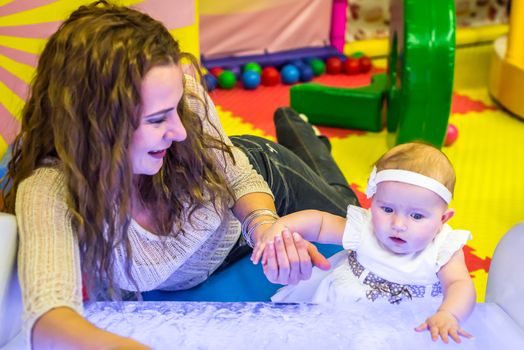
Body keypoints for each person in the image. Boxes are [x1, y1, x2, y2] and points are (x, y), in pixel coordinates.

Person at [1, 1, 360, 348]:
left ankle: (305, 138)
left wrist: (265, 229)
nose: (180, 131)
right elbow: (49, 313)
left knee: (359, 223)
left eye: (175, 110)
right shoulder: (50, 190)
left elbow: (238, 178)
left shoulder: (183, 101)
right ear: (98, 126)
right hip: (206, 256)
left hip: (263, 182)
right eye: (158, 119)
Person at [252, 142, 476, 344]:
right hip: (344, 308)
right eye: (387, 209)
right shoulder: (365, 228)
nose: (398, 224)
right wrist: (280, 228)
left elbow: (460, 284)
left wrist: (449, 314)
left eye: (416, 216)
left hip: (411, 320)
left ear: (443, 219)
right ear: (373, 201)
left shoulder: (444, 247)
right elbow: (320, 222)